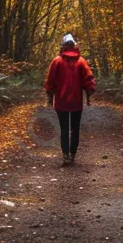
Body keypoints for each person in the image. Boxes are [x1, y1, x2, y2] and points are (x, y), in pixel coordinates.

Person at [44, 33, 96, 166]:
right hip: (76, 102)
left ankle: (65, 156)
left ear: (63, 46)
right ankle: (72, 156)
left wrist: (50, 94)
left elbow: (50, 81)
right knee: (75, 129)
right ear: (74, 46)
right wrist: (90, 89)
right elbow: (89, 79)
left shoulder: (57, 61)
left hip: (61, 102)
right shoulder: (81, 62)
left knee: (64, 129)